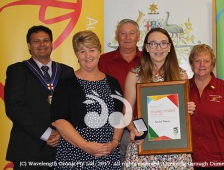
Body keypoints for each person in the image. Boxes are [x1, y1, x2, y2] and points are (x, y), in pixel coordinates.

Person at [123, 27, 195, 169]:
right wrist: (134, 130)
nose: (158, 48)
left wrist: (188, 108)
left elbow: (181, 113)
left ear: (169, 47)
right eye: (153, 43)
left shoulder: (181, 76)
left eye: (163, 43)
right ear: (147, 48)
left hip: (175, 149)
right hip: (144, 146)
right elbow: (127, 113)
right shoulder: (134, 75)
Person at [51, 30, 123, 169]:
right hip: (74, 155)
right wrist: (86, 146)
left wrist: (115, 142)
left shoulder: (113, 82)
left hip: (107, 155)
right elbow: (59, 121)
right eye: (82, 51)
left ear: (99, 52)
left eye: (92, 50)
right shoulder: (66, 83)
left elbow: (119, 116)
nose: (88, 56)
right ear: (76, 54)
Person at [4, 25, 73, 169]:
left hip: (62, 148)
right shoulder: (17, 70)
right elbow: (13, 108)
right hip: (28, 148)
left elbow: (73, 107)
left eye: (46, 40)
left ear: (52, 44)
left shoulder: (67, 71)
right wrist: (46, 133)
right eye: (36, 41)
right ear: (29, 46)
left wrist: (61, 132)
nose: (42, 45)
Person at [188, 44, 224, 170]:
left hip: (218, 160)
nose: (202, 64)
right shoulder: (182, 88)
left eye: (206, 61)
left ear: (212, 64)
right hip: (188, 160)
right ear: (192, 64)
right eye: (197, 61)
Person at [98, 19, 142, 166]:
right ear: (117, 36)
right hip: (110, 127)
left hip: (140, 126)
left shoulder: (147, 60)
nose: (127, 37)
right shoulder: (103, 60)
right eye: (123, 33)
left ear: (138, 36)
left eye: (131, 33)